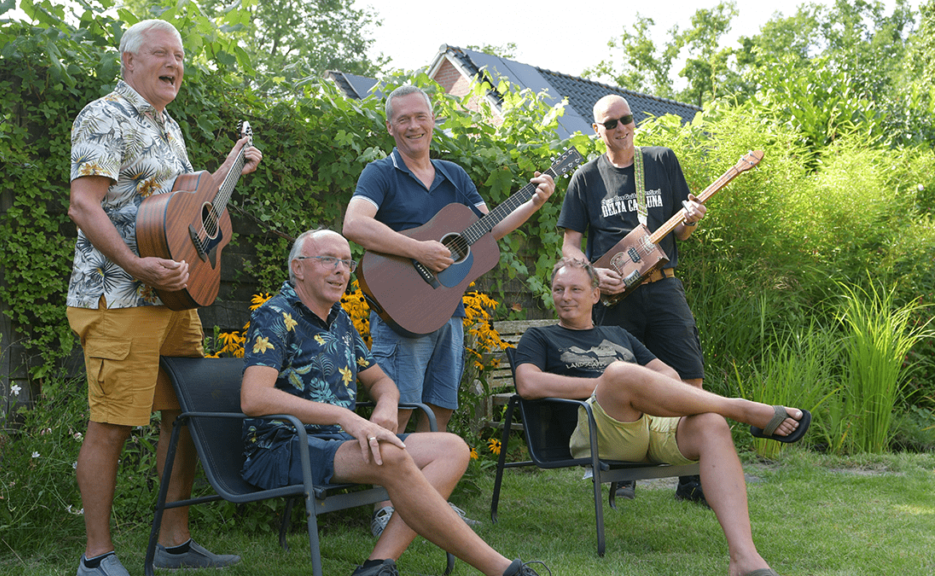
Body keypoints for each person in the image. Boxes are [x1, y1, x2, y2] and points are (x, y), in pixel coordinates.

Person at [66, 19, 262, 576]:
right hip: (119, 296)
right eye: (160, 53)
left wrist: (230, 168)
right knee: (113, 423)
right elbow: (85, 205)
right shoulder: (105, 116)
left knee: (182, 416)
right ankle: (96, 557)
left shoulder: (168, 126)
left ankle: (174, 543)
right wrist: (134, 264)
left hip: (174, 300)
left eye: (179, 55)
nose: (173, 63)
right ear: (129, 62)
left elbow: (184, 208)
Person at [239, 229, 548, 576]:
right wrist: (345, 417)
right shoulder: (274, 315)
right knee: (393, 455)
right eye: (328, 259)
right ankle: (502, 570)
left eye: (346, 261)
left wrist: (386, 405)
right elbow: (254, 397)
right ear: (298, 268)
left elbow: (380, 380)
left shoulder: (339, 319)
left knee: (453, 449)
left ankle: (376, 565)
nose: (341, 270)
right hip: (280, 448)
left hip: (335, 444)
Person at [343, 85, 556, 534]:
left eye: (420, 116)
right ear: (390, 127)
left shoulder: (454, 175)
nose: (414, 125)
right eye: (404, 119)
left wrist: (535, 201)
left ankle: (423, 504)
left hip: (449, 313)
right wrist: (419, 250)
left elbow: (488, 230)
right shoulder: (380, 173)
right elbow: (354, 224)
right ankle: (385, 506)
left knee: (438, 406)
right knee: (396, 408)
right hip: (402, 311)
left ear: (433, 119)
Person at [513, 258, 810, 576]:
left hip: (649, 423)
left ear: (596, 295)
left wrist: (637, 388)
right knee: (619, 373)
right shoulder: (540, 337)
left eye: (575, 288)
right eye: (558, 289)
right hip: (601, 432)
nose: (565, 296)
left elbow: (667, 374)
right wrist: (610, 385)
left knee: (711, 424)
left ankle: (744, 558)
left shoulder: (619, 334)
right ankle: (742, 409)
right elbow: (528, 383)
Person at [558, 93, 707, 503]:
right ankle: (622, 473)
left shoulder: (660, 161)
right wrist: (591, 273)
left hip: (663, 284)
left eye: (625, 119)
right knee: (617, 380)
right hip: (614, 296)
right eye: (610, 123)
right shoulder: (586, 178)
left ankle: (690, 476)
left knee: (689, 374)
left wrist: (691, 219)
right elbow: (570, 245)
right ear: (597, 130)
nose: (620, 128)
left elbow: (682, 232)